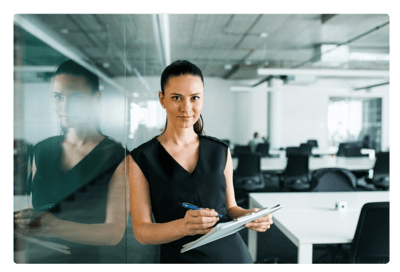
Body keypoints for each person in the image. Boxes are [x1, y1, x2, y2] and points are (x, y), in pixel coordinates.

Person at [128, 60, 273, 263]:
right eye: (176, 97)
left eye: (194, 98)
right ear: (162, 99)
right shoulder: (140, 159)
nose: (186, 108)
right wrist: (183, 226)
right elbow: (142, 232)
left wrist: (249, 215)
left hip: (231, 256)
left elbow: (230, 208)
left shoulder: (220, 150)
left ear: (202, 99)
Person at [14, 60, 128, 263]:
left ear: (96, 99)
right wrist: (24, 224)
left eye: (75, 97)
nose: (64, 106)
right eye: (57, 97)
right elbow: (37, 210)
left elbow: (114, 233)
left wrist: (54, 226)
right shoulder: (41, 151)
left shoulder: (118, 158)